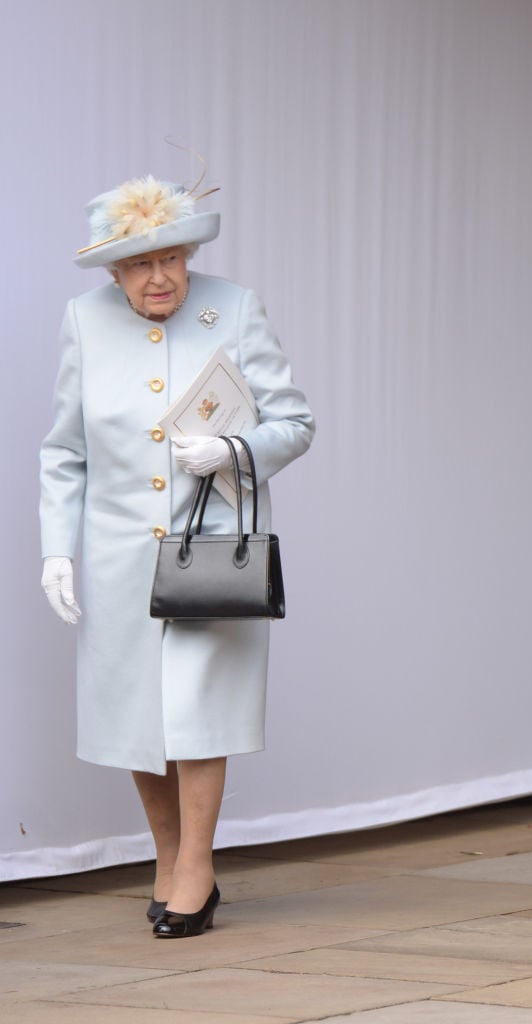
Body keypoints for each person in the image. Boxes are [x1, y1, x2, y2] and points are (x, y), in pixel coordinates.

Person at [40, 174, 314, 938]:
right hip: (120, 553)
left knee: (197, 711)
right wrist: (57, 551)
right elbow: (64, 452)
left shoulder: (236, 307)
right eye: (140, 264)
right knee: (137, 715)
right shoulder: (84, 322)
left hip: (212, 549)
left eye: (172, 259)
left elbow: (294, 422)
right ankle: (168, 856)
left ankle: (196, 864)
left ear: (190, 254)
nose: (159, 278)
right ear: (114, 271)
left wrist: (232, 447)